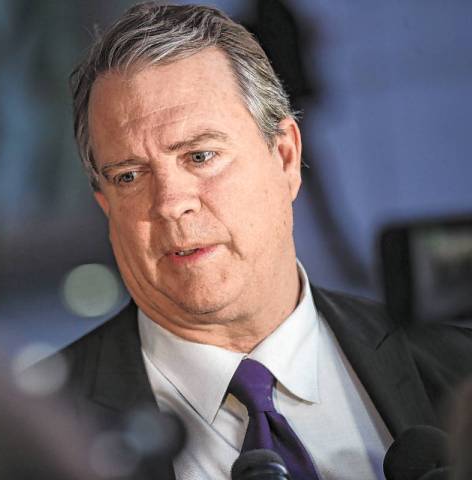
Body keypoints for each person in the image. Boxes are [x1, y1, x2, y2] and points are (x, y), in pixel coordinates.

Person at [41, 3, 472, 479]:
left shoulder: (456, 368)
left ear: (285, 157)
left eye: (200, 155)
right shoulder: (33, 432)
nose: (169, 203)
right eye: (129, 176)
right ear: (105, 204)